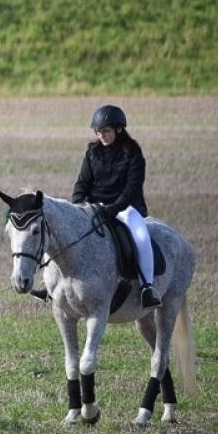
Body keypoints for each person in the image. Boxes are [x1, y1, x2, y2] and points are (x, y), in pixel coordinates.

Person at [72, 104, 157, 308]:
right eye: (99, 131)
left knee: (141, 237)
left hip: (127, 208)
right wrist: (76, 206)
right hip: (95, 207)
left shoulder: (133, 152)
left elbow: (132, 187)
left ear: (119, 129)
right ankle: (51, 286)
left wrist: (114, 208)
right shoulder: (92, 152)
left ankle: (147, 287)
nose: (102, 135)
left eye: (106, 131)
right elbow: (82, 182)